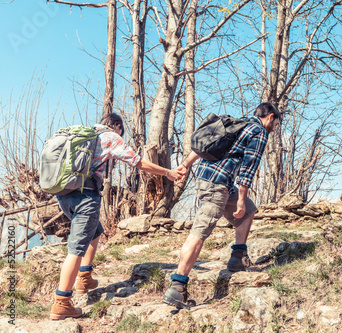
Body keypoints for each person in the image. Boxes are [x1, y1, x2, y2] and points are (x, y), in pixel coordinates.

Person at [50, 113, 185, 320]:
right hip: (86, 195)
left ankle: (85, 277)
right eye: (122, 130)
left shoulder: (84, 136)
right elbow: (138, 162)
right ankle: (62, 302)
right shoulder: (111, 136)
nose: (122, 133)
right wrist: (167, 172)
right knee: (76, 248)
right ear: (117, 126)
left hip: (64, 194)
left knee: (96, 231)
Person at [162, 102, 281, 309]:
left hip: (210, 179)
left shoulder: (238, 124)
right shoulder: (259, 132)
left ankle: (237, 256)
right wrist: (241, 200)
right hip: (218, 185)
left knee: (249, 212)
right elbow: (248, 170)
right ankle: (177, 286)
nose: (275, 128)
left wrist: (185, 165)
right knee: (200, 231)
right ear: (270, 117)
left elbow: (203, 147)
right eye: (276, 123)